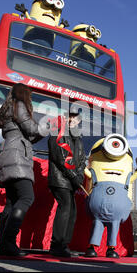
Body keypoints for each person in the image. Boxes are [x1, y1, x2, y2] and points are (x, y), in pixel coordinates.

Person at [0, 83, 49, 257]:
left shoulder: (7, 108)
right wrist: (49, 126)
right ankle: (8, 241)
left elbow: (28, 135)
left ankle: (4, 243)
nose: (30, 98)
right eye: (29, 95)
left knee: (11, 201)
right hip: (17, 156)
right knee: (26, 197)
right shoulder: (20, 105)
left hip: (7, 154)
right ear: (24, 94)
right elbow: (32, 129)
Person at [47, 109, 86, 257]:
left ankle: (63, 244)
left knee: (72, 211)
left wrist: (79, 176)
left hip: (71, 180)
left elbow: (82, 160)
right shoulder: (59, 132)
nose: (73, 120)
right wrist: (73, 175)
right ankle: (57, 244)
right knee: (66, 207)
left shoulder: (79, 139)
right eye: (70, 117)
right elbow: (61, 158)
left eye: (76, 118)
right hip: (60, 178)